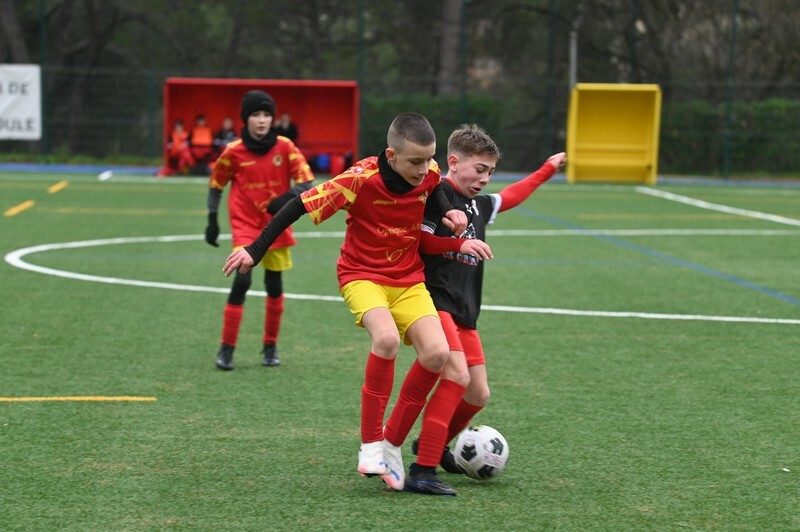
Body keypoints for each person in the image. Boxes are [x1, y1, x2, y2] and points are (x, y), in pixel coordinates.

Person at [222, 113, 492, 494]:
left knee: (437, 353)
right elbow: (298, 205)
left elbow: (435, 187)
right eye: (415, 161)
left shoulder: (428, 170)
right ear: (391, 156)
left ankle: (392, 444)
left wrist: (449, 209)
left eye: (428, 160)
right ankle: (370, 444)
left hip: (408, 279)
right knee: (386, 340)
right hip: (362, 276)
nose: (424, 169)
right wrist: (255, 249)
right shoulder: (358, 180)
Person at [410, 124, 566, 494]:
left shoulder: (478, 205)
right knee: (456, 377)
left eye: (491, 172)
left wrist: (546, 169)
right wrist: (456, 244)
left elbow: (511, 195)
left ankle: (432, 445)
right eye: (479, 170)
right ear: (453, 162)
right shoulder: (439, 196)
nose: (485, 179)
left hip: (465, 312)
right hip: (435, 302)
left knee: (478, 394)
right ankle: (423, 470)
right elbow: (422, 241)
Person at [206, 90, 315, 371]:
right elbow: (216, 184)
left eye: (267, 114)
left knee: (274, 284)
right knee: (241, 281)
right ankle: (227, 348)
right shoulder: (233, 152)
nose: (262, 120)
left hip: (275, 226)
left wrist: (284, 199)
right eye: (256, 114)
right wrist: (212, 219)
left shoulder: (285, 147)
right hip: (245, 226)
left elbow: (307, 182)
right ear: (246, 119)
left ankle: (270, 345)